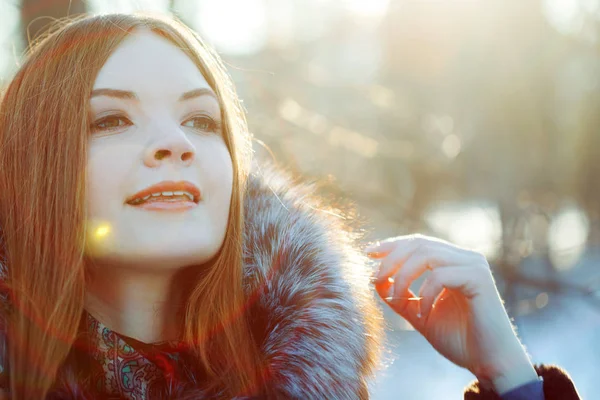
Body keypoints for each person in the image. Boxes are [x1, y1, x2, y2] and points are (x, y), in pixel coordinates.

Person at [0, 12, 580, 400]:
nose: (174, 142)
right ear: (34, 166)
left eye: (201, 120)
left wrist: (510, 377)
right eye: (113, 118)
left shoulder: (306, 373)